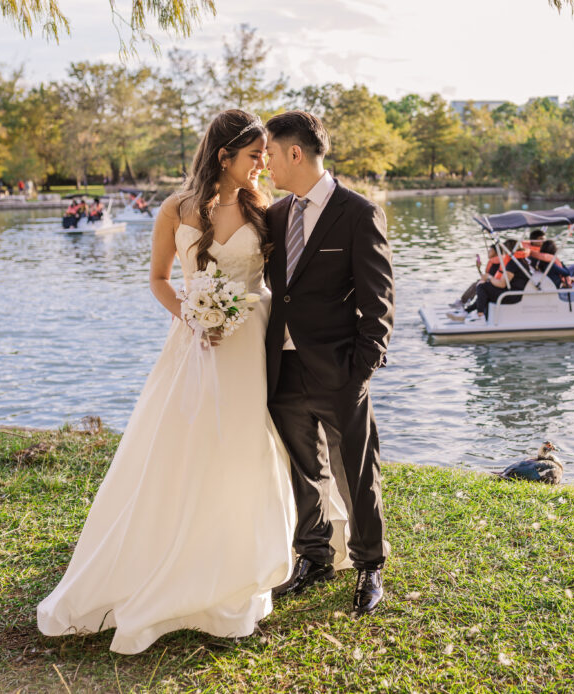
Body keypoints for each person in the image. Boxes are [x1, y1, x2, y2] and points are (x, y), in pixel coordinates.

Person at [37, 109, 305, 654]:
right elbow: (159, 279)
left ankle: (233, 568)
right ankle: (168, 567)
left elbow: (285, 280)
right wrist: (191, 314)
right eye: (254, 156)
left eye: (265, 156)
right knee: (185, 449)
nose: (263, 165)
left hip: (250, 346)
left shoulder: (266, 211)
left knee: (243, 448)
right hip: (196, 346)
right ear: (224, 156)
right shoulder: (174, 209)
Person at [263, 110, 395, 616]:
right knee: (303, 469)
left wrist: (361, 368)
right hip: (283, 367)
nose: (267, 164)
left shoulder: (358, 213)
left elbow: (379, 301)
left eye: (271, 154)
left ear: (295, 153)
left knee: (355, 471)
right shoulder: (275, 216)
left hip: (340, 369)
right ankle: (314, 555)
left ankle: (369, 565)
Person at [532, 240, 574, 319]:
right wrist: (559, 262)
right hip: (564, 295)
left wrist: (557, 261)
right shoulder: (550, 265)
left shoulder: (544, 262)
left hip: (561, 289)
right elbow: (566, 272)